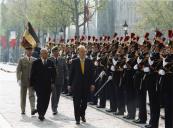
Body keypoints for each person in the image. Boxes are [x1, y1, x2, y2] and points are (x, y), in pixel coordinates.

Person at [68, 45, 95, 125]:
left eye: (84, 51)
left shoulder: (89, 62)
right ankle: (77, 118)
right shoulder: (74, 61)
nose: (83, 53)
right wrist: (69, 84)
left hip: (86, 86)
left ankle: (82, 114)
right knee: (76, 102)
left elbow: (92, 74)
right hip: (76, 86)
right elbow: (71, 74)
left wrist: (92, 84)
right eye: (81, 51)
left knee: (84, 103)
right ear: (78, 52)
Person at [30, 48, 56, 121]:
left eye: (47, 53)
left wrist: (53, 82)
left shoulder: (51, 63)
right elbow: (32, 74)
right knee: (40, 99)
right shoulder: (36, 63)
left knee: (46, 100)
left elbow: (54, 74)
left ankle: (42, 112)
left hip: (48, 85)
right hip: (38, 85)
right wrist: (32, 84)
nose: (46, 54)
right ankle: (40, 114)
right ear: (41, 54)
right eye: (44, 53)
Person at [16, 46, 37, 115]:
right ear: (25, 51)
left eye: (31, 50)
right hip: (23, 81)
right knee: (23, 96)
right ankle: (23, 110)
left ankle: (33, 109)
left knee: (32, 95)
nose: (30, 52)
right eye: (28, 50)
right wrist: (19, 79)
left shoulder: (35, 60)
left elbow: (37, 71)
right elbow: (18, 70)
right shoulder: (21, 60)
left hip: (32, 81)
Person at [50, 46, 69, 115]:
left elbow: (65, 69)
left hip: (60, 80)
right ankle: (54, 108)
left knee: (58, 94)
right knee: (54, 94)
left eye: (57, 51)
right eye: (55, 51)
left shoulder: (62, 59)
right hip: (52, 81)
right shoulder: (50, 59)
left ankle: (55, 106)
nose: (56, 53)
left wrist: (67, 76)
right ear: (52, 52)